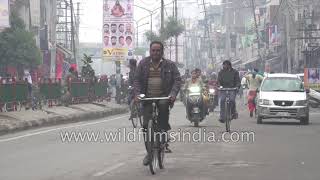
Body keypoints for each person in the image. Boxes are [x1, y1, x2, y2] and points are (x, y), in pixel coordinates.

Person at [134, 41, 181, 166]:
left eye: (158, 50)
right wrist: (137, 94)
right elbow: (137, 80)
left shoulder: (170, 65)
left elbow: (177, 80)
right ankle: (149, 153)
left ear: (162, 52)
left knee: (163, 107)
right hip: (147, 97)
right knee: (146, 126)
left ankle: (163, 131)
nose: (155, 53)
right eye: (153, 50)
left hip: (163, 96)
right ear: (150, 51)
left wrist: (173, 94)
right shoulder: (143, 64)